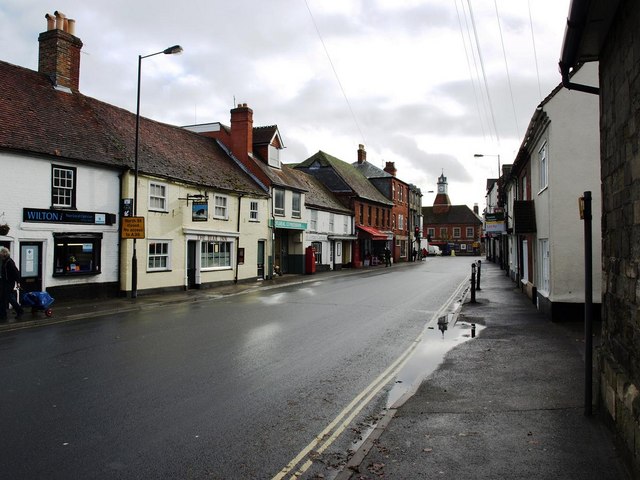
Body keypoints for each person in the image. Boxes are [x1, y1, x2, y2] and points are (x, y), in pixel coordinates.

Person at [0, 247, 24, 321]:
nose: (0, 255)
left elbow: (16, 272)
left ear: (4, 254)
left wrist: (18, 282)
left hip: (9, 283)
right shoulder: (4, 261)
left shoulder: (9, 262)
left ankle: (4, 315)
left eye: (1, 254)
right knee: (7, 298)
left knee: (4, 298)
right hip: (4, 282)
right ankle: (17, 311)